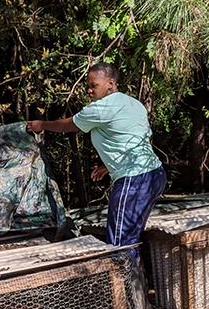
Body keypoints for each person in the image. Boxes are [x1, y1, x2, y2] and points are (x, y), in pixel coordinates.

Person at [26, 62, 166, 261]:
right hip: (155, 175)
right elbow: (133, 140)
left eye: (94, 85)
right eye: (88, 86)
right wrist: (107, 167)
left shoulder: (100, 109)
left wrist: (41, 124)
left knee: (120, 245)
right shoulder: (134, 104)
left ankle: (125, 280)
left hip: (133, 181)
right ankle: (136, 278)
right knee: (131, 237)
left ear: (111, 83)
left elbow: (68, 125)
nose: (89, 90)